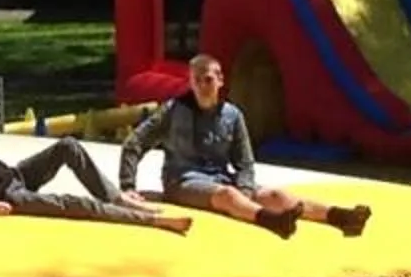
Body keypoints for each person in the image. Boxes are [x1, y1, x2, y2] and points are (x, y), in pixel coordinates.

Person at [117, 54, 371, 238]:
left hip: (221, 178)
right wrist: (128, 185)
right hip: (182, 181)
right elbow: (135, 142)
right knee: (228, 196)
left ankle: (340, 217)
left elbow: (245, 161)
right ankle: (273, 222)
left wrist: (246, 188)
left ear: (220, 80)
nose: (203, 86)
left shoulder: (232, 115)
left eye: (208, 79)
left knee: (277, 195)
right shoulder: (173, 111)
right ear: (191, 83)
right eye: (197, 81)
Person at [0, 91, 189, 229]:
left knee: (68, 146)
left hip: (11, 176)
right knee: (73, 204)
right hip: (9, 195)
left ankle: (116, 198)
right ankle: (149, 220)